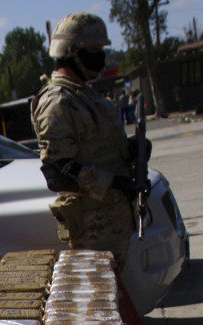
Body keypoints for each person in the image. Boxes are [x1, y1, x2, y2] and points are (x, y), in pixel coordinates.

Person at [31, 12, 150, 270]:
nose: (100, 57)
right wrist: (114, 182)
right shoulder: (57, 101)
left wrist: (131, 151)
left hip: (112, 222)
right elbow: (58, 170)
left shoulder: (84, 94)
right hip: (91, 229)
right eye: (93, 50)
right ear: (72, 52)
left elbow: (97, 148)